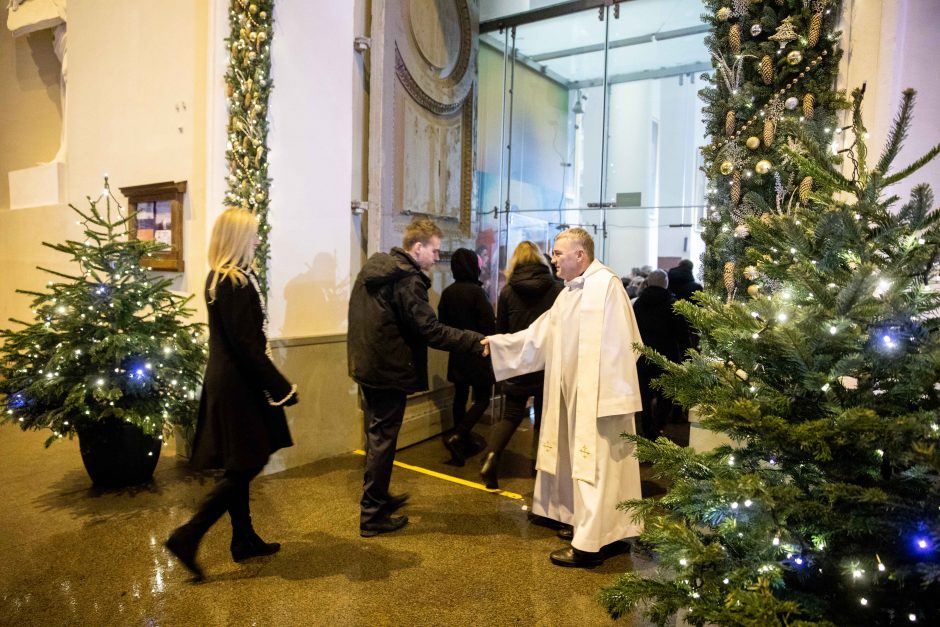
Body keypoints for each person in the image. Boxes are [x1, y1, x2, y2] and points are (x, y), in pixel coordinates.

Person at [481, 228, 644, 568]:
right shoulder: (569, 293)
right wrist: (497, 345)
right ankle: (599, 531)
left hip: (601, 403)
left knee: (597, 470)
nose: (552, 258)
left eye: (558, 253)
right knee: (586, 468)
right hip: (574, 399)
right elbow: (539, 337)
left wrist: (607, 396)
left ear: (580, 256)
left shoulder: (606, 287)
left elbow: (626, 346)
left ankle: (589, 547)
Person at [165, 208, 298, 581]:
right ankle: (188, 535)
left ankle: (243, 538)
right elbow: (247, 347)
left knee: (239, 462)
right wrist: (282, 386)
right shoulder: (234, 282)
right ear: (238, 238)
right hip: (240, 386)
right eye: (253, 234)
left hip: (230, 381)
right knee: (247, 463)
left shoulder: (224, 278)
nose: (257, 239)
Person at [348, 218, 485, 537]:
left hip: (368, 367)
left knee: (375, 437)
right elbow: (429, 330)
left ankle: (378, 499)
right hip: (388, 370)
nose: (437, 258)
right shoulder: (407, 280)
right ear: (418, 247)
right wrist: (473, 341)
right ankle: (372, 514)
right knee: (383, 441)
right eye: (435, 250)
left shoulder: (375, 270)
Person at [479, 241, 561, 489]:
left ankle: (492, 457)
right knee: (546, 419)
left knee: (511, 416)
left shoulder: (507, 292)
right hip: (547, 363)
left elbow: (501, 331)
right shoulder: (558, 289)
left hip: (518, 363)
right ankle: (539, 469)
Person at [438, 248, 496, 466]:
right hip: (478, 352)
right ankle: (459, 435)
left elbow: (442, 323)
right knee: (482, 399)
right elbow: (489, 325)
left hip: (457, 351)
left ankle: (461, 442)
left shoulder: (448, 292)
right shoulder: (477, 293)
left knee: (459, 397)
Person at [631, 269, 690, 440]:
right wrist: (687, 357)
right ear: (666, 284)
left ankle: (647, 428)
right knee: (667, 394)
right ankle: (658, 426)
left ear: (648, 283)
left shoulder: (638, 304)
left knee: (645, 396)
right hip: (667, 358)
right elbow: (683, 335)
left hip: (642, 357)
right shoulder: (673, 304)